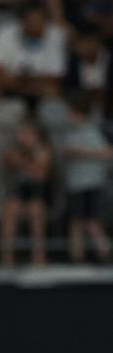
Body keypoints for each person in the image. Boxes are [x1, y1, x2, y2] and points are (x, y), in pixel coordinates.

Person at [62, 93, 113, 263]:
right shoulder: (69, 132)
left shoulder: (94, 130)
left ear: (78, 113)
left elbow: (107, 153)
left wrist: (82, 152)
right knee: (76, 221)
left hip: (92, 182)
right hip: (75, 183)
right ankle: (76, 256)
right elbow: (66, 152)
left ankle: (104, 254)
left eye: (70, 113)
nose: (68, 117)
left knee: (92, 221)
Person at [0, 120, 52, 265]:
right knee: (11, 210)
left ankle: (38, 256)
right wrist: (31, 165)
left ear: (36, 135)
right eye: (21, 133)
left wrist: (23, 163)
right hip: (17, 193)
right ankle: (7, 257)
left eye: (27, 134)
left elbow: (41, 175)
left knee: (36, 210)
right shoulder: (12, 149)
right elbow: (9, 160)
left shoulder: (43, 149)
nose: (23, 137)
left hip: (37, 193)